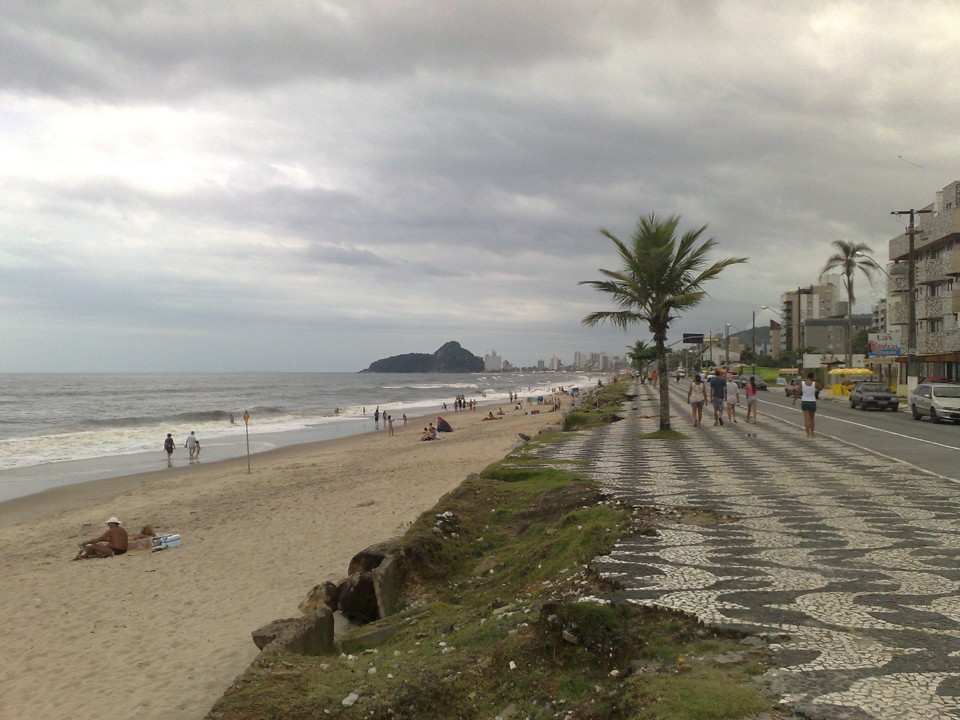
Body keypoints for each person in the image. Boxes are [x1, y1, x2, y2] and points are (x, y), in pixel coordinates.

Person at [792, 371, 822, 437]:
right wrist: (816, 381)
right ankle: (813, 433)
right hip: (812, 402)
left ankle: (808, 434)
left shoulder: (802, 383)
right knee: (812, 419)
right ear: (812, 377)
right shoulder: (814, 384)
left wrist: (794, 400)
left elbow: (798, 392)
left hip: (805, 402)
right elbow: (820, 388)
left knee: (806, 419)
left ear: (807, 377)